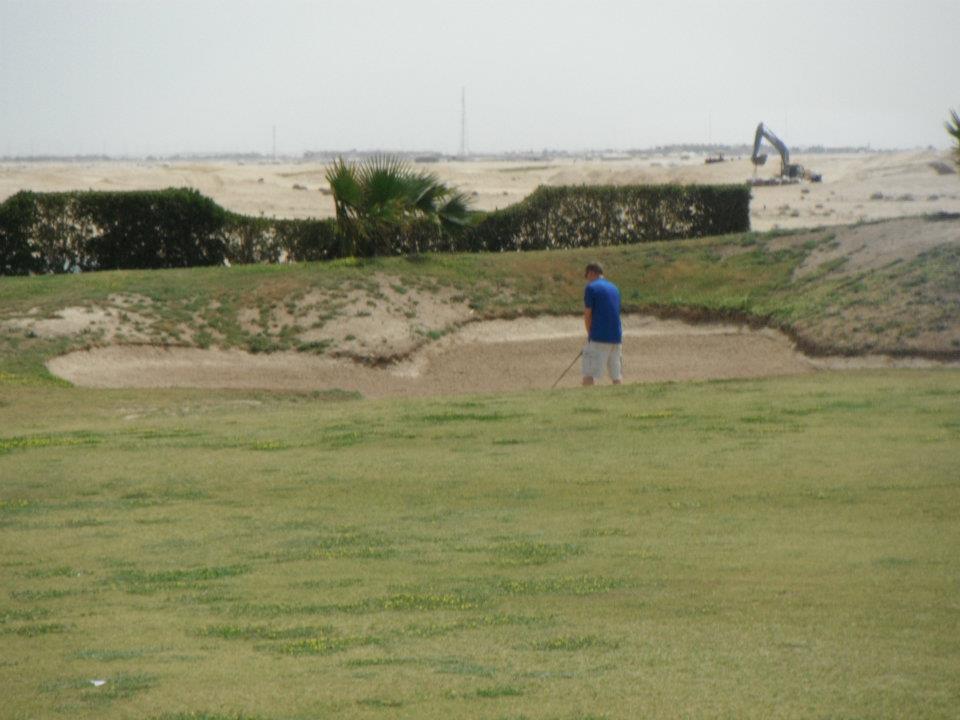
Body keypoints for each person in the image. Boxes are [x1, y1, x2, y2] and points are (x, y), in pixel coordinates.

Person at [582, 261, 622, 386]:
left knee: (589, 374)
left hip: (599, 337)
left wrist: (590, 334)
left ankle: (586, 401)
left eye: (587, 276)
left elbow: (588, 314)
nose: (587, 279)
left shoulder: (591, 288)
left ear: (592, 273)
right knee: (616, 376)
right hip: (616, 337)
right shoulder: (615, 288)